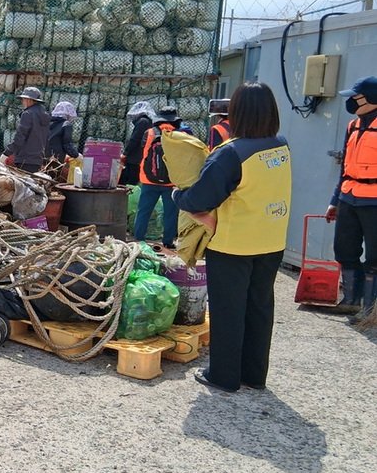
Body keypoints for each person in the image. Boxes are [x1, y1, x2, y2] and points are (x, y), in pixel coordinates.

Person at [172, 82, 292, 392]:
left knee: (228, 310)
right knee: (259, 308)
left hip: (233, 243)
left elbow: (198, 199)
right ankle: (254, 375)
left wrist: (178, 196)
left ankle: (223, 376)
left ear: (235, 113)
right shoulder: (281, 146)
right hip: (271, 240)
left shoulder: (231, 153)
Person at [325, 75, 377, 323]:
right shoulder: (352, 126)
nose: (351, 102)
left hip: (374, 201)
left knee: (375, 257)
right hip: (349, 197)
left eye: (356, 97)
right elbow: (345, 166)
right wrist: (335, 200)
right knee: (344, 249)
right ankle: (350, 302)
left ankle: (371, 309)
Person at [132, 105, 184, 249]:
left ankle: (139, 239)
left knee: (144, 210)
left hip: (148, 179)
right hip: (171, 181)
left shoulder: (149, 132)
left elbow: (144, 152)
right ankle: (168, 241)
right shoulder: (180, 134)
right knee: (170, 212)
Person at [0, 86, 50, 173]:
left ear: (29, 100)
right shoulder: (45, 116)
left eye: (23, 99)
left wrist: (6, 153)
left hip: (25, 159)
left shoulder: (28, 114)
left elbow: (20, 137)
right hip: (37, 159)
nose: (22, 102)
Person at [119, 101, 155, 185]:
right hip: (142, 157)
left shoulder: (143, 122)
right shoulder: (150, 123)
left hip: (135, 159)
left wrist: (125, 153)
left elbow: (134, 139)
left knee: (129, 182)